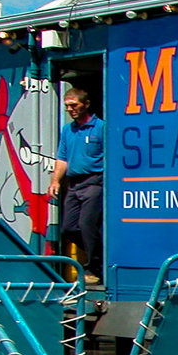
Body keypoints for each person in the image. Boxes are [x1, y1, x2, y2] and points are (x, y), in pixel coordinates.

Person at [50, 86, 105, 284]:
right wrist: (55, 181)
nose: (70, 109)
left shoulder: (101, 127)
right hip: (73, 184)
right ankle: (101, 253)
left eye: (74, 105)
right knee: (69, 228)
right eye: (67, 106)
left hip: (94, 181)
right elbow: (62, 158)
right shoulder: (67, 130)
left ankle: (94, 268)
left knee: (87, 224)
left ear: (86, 104)